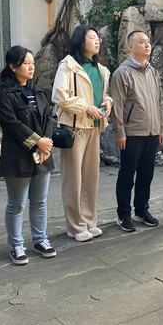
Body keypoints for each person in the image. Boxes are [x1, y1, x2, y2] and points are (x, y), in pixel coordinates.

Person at [0, 46, 56, 265]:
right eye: (26, 63)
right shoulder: (4, 92)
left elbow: (48, 118)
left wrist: (45, 144)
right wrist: (37, 142)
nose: (31, 67)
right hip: (17, 155)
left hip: (42, 155)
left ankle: (40, 239)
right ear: (12, 66)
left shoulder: (38, 91)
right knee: (17, 203)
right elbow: (10, 123)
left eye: (32, 63)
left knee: (39, 201)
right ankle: (16, 245)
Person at [52, 26, 113, 241]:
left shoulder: (100, 69)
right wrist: (85, 107)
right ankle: (75, 226)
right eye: (92, 38)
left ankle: (89, 221)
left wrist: (108, 101)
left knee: (90, 178)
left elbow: (105, 94)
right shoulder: (68, 65)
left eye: (98, 38)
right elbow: (59, 95)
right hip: (74, 127)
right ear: (81, 41)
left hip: (95, 127)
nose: (97, 41)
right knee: (73, 179)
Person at [110, 31, 163, 232]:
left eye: (148, 41)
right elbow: (117, 105)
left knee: (146, 175)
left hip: (152, 132)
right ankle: (123, 214)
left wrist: (160, 127)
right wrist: (119, 132)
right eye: (141, 42)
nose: (147, 45)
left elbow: (159, 102)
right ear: (130, 47)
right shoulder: (122, 73)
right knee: (127, 176)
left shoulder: (153, 72)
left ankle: (141, 211)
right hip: (132, 133)